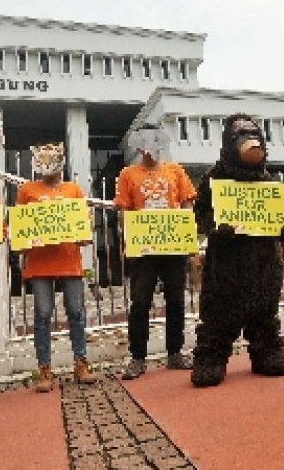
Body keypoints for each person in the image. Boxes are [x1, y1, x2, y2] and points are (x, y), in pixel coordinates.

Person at [114, 124, 197, 379]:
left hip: (173, 246)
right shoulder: (128, 174)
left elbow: (187, 203)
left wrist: (183, 230)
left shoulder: (176, 170)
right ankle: (137, 358)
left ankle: (175, 353)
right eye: (145, 143)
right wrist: (131, 236)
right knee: (140, 302)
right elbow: (123, 210)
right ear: (138, 146)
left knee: (176, 300)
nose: (149, 149)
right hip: (143, 249)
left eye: (154, 142)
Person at [17, 142, 96, 391]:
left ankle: (81, 363)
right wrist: (21, 249)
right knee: (42, 315)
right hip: (39, 264)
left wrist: (85, 233)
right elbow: (20, 227)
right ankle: (44, 370)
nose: (49, 167)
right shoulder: (27, 190)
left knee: (76, 312)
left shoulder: (74, 190)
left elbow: (84, 224)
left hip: (69, 261)